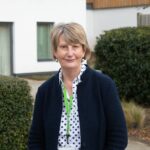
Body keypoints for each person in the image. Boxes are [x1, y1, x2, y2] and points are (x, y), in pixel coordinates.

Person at [28, 22, 128, 150]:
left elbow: (118, 137)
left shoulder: (104, 86)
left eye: (75, 46)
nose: (70, 53)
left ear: (83, 50)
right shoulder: (45, 91)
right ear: (55, 52)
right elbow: (35, 138)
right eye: (64, 47)